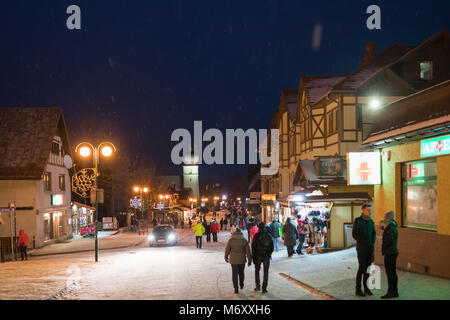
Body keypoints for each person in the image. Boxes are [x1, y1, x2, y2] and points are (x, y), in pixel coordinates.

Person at [352, 204, 376, 297]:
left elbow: (374, 233)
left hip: (370, 249)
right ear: (363, 211)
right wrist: (363, 242)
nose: (370, 212)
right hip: (362, 249)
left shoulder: (370, 222)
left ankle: (366, 289)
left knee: (367, 269)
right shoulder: (358, 221)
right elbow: (354, 234)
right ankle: (358, 290)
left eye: (370, 210)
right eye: (368, 210)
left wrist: (372, 241)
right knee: (361, 268)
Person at [224, 228, 252, 294]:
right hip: (242, 260)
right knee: (241, 273)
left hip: (233, 260)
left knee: (234, 274)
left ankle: (236, 288)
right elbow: (248, 251)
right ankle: (241, 284)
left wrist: (226, 257)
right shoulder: (244, 240)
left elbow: (227, 250)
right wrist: (249, 260)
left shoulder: (231, 240)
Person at [381, 211, 399, 299]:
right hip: (393, 251)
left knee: (390, 273)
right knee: (393, 273)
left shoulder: (389, 228)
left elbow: (389, 240)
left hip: (390, 253)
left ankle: (390, 292)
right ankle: (395, 292)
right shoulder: (393, 225)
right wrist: (384, 227)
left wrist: (383, 247)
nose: (383, 219)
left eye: (385, 217)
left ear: (388, 218)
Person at [252, 222, 274, 293]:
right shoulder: (268, 235)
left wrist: (253, 257)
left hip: (258, 256)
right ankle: (264, 288)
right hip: (266, 256)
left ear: (258, 227)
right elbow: (272, 247)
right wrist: (269, 254)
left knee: (257, 271)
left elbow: (253, 247)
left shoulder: (256, 236)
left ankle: (257, 286)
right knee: (266, 272)